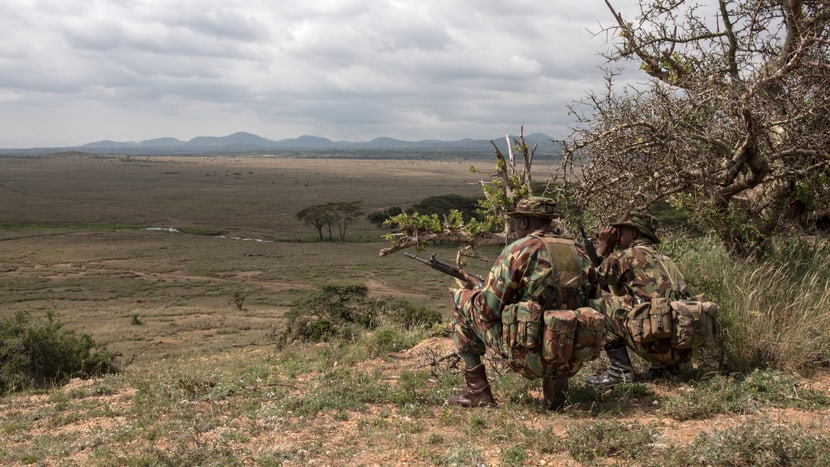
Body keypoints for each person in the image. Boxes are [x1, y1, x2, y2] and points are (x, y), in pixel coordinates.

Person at [447, 197, 598, 410]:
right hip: (571, 358)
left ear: (524, 223)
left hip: (528, 355)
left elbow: (487, 310)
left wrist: (476, 291)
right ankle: (557, 389)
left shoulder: (520, 249)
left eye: (517, 222)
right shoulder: (579, 252)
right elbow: (594, 299)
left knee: (461, 299)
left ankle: (477, 391)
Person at [586, 211, 692, 386]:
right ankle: (664, 368)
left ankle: (620, 371)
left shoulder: (626, 257)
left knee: (598, 303)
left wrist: (603, 248)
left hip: (657, 345)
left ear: (633, 233)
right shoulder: (664, 259)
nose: (617, 237)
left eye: (620, 232)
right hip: (682, 347)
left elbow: (591, 281)